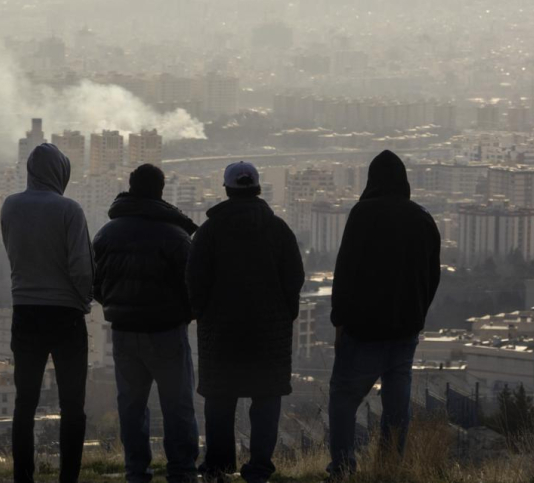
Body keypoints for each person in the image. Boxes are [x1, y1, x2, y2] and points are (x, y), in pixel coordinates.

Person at [187, 161, 305, 483]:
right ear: (257, 188)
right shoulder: (278, 229)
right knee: (266, 399)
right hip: (269, 335)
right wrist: (285, 314)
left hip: (221, 334)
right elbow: (294, 277)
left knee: (220, 401)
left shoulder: (209, 231)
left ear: (226, 190)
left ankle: (218, 468)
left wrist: (203, 313)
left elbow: (194, 279)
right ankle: (259, 470)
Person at [327, 150, 441, 479]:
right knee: (397, 408)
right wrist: (416, 314)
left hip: (363, 330)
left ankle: (343, 469)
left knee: (344, 401)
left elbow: (345, 270)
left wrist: (339, 321)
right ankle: (389, 468)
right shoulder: (422, 218)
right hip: (404, 333)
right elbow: (431, 277)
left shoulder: (363, 215)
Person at [93, 164, 200, 483]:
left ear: (131, 187)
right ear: (161, 191)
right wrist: (184, 314)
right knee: (177, 404)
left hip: (124, 333)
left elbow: (94, 283)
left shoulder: (106, 233)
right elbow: (194, 287)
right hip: (167, 331)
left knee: (131, 405)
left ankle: (136, 471)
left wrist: (115, 306)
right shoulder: (176, 236)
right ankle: (181, 471)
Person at [1, 143, 95, 483]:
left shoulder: (10, 206)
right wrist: (85, 299)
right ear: (60, 173)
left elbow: (13, 253)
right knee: (72, 405)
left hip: (24, 311)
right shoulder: (69, 210)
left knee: (25, 403)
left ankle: (23, 477)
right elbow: (82, 268)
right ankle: (68, 477)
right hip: (66, 315)